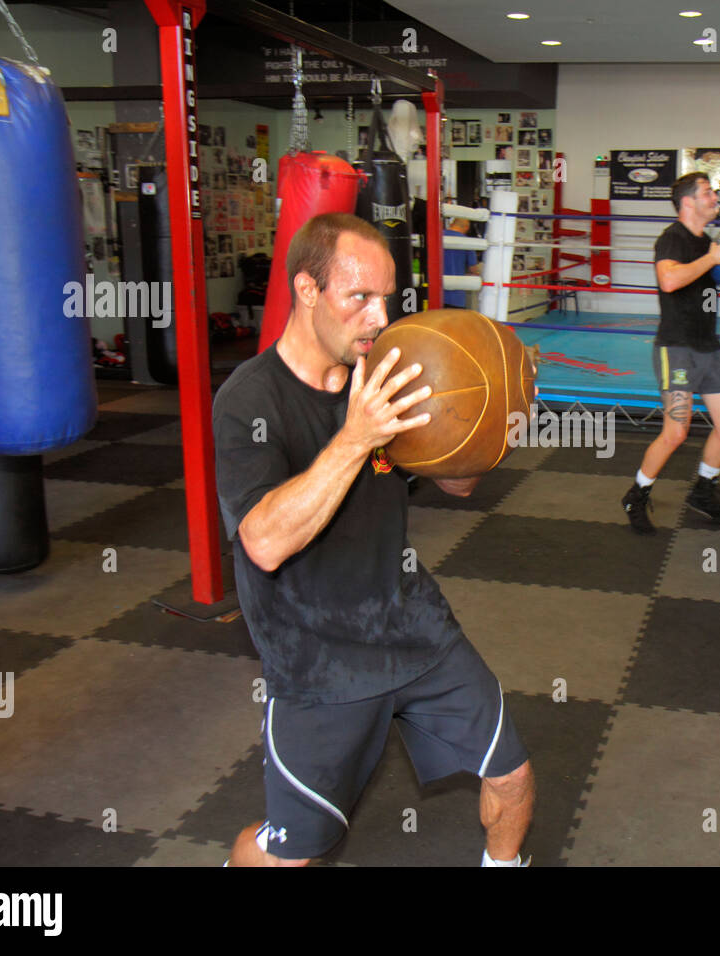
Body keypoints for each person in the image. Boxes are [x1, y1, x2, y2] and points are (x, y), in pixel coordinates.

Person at [213, 213, 534, 866]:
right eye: (359, 297)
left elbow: (457, 486)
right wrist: (357, 436)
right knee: (289, 855)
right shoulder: (250, 402)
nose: (377, 318)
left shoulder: (391, 367)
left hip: (409, 625)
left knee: (514, 776)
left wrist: (489, 431)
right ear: (306, 290)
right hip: (315, 656)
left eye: (386, 297)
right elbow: (265, 543)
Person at [621, 172, 720, 535]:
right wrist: (714, 258)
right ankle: (637, 494)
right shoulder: (672, 239)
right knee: (676, 433)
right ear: (688, 202)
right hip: (676, 350)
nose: (714, 198)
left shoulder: (707, 242)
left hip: (708, 348)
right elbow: (670, 280)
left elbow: (706, 278)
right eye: (707, 193)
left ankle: (703, 491)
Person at [442, 217, 481, 308]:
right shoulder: (467, 242)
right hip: (456, 297)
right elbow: (473, 269)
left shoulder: (438, 236)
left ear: (452, 224)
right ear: (467, 228)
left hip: (435, 293)